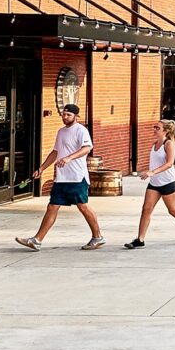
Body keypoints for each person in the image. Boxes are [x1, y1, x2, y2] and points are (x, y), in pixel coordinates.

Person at [25, 103, 105, 250]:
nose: (65, 117)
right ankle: (37, 240)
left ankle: (97, 237)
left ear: (76, 116)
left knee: (83, 206)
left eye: (68, 115)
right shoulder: (61, 132)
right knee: (52, 207)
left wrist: (69, 158)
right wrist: (41, 169)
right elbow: (55, 152)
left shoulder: (81, 130)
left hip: (77, 177)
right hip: (62, 178)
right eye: (63, 114)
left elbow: (87, 148)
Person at [127, 119, 175, 249]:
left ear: (166, 130)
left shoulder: (168, 143)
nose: (154, 129)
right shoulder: (155, 144)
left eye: (157, 128)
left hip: (168, 182)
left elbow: (169, 163)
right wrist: (148, 173)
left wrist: (152, 172)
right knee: (146, 210)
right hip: (154, 183)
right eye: (154, 127)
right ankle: (140, 239)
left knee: (173, 210)